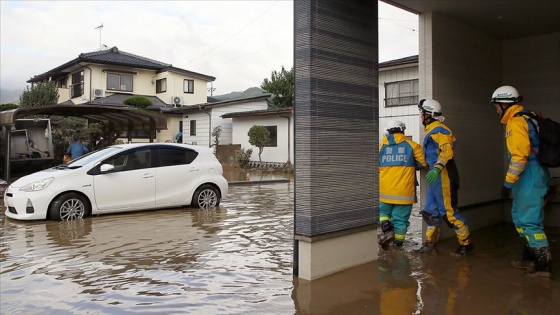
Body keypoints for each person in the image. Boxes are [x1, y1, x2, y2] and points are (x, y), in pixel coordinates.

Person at [490, 85, 551, 278]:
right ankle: (529, 260)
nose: (496, 110)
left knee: (530, 222)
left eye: (496, 106)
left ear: (503, 103)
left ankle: (543, 268)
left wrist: (507, 184)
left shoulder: (516, 123)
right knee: (519, 218)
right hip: (528, 176)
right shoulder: (527, 117)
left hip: (529, 176)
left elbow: (519, 157)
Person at [415, 99, 473, 256]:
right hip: (436, 179)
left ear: (428, 115)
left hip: (444, 178)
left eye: (422, 113)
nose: (420, 116)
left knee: (450, 213)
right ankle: (430, 243)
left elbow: (447, 152)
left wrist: (437, 168)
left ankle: (466, 244)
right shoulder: (433, 130)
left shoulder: (439, 130)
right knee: (430, 211)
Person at [379, 120, 427, 249]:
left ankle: (387, 231)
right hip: (404, 192)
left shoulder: (380, 146)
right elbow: (423, 164)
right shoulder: (413, 146)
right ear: (403, 130)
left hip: (384, 191)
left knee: (382, 213)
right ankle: (397, 246)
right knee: (400, 220)